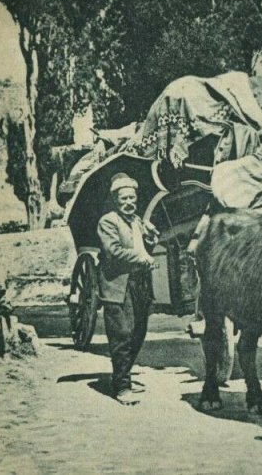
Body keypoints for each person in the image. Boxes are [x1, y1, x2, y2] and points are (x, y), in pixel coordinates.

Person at [97, 172, 159, 405]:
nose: (129, 203)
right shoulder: (107, 222)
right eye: (123, 199)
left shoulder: (137, 221)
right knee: (121, 335)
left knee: (139, 333)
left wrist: (150, 238)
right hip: (117, 284)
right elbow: (113, 252)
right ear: (115, 200)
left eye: (132, 198)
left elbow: (145, 248)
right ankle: (122, 387)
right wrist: (140, 257)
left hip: (139, 284)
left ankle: (122, 376)